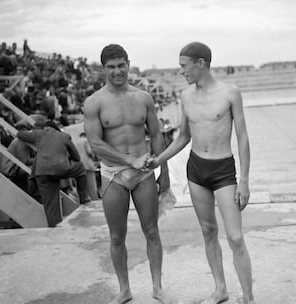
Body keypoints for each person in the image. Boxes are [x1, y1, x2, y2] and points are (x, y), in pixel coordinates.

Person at [147, 42, 256, 304]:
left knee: (235, 236)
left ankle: (249, 298)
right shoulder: (186, 96)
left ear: (201, 63)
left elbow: (242, 137)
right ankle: (220, 289)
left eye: (184, 66)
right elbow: (183, 135)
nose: (181, 71)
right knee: (208, 230)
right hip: (196, 169)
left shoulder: (230, 93)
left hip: (223, 170)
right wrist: (158, 159)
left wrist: (245, 180)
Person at [83, 44, 172, 304]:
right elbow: (96, 144)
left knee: (152, 231)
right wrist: (128, 160)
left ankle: (157, 287)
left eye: (121, 65)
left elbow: (156, 135)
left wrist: (163, 171)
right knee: (116, 236)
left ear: (128, 64)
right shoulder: (94, 102)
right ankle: (124, 290)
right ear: (103, 69)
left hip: (144, 173)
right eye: (111, 67)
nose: (117, 71)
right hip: (113, 174)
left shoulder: (143, 98)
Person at [17, 120, 91, 227]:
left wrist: (27, 126)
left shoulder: (39, 134)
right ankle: (84, 197)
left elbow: (20, 135)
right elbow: (77, 157)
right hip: (61, 169)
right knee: (80, 167)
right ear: (56, 128)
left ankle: (54, 228)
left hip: (42, 172)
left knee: (51, 205)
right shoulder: (64, 136)